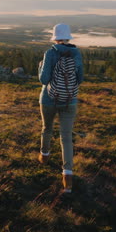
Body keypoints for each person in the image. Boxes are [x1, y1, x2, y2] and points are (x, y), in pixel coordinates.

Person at [38, 23, 83, 193]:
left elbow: (43, 80)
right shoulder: (76, 53)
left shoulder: (50, 53)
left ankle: (44, 156)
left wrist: (40, 67)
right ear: (68, 37)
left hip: (48, 99)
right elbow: (80, 79)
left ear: (55, 38)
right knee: (66, 137)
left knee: (47, 128)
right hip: (70, 100)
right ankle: (67, 178)